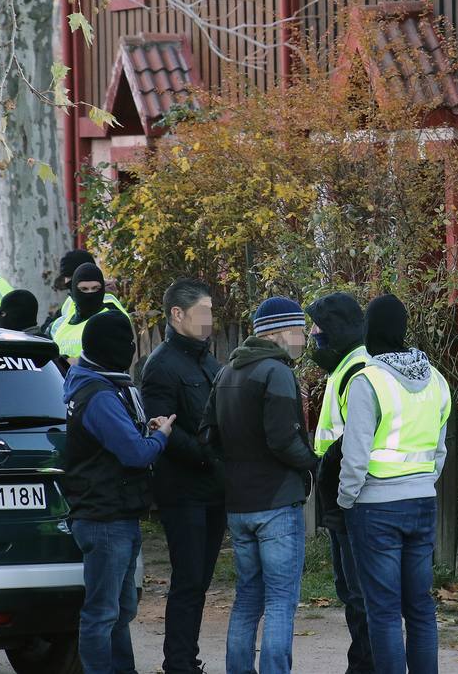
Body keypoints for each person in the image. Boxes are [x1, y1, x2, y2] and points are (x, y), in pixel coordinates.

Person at [200, 297, 316, 674]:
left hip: (239, 505)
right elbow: (283, 440)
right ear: (279, 332)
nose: (303, 339)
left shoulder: (226, 372)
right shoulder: (276, 372)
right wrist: (313, 463)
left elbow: (208, 435)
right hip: (277, 503)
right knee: (282, 601)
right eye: (299, 331)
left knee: (247, 598)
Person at [340, 294, 452, 674]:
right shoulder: (436, 379)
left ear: (370, 332)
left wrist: (346, 500)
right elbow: (440, 450)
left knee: (384, 611)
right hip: (422, 502)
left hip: (374, 508)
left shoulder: (367, 381)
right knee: (420, 607)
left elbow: (354, 457)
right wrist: (421, 483)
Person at [62, 310, 175, 674]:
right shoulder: (99, 395)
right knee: (103, 612)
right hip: (104, 516)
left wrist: (145, 430)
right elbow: (135, 453)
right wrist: (160, 436)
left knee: (121, 609)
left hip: (116, 513)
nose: (131, 350)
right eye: (126, 344)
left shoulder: (99, 384)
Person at [141, 279, 224, 674]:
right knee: (188, 580)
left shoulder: (209, 360)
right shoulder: (160, 365)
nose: (210, 320)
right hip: (183, 490)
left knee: (201, 580)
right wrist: (210, 458)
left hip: (213, 489)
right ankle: (178, 663)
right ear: (177, 314)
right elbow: (166, 432)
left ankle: (185, 658)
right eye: (203, 312)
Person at [306, 292, 375, 674]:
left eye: (318, 325)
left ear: (337, 328)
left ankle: (366, 665)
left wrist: (344, 497)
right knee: (349, 591)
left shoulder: (356, 370)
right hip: (339, 497)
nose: (313, 333)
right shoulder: (344, 367)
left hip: (351, 499)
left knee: (358, 593)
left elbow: (355, 441)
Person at [49, 263, 120, 363]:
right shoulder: (61, 326)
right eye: (84, 289)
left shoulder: (111, 320)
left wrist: (65, 362)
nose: (90, 294)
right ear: (74, 291)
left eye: (96, 288)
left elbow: (104, 361)